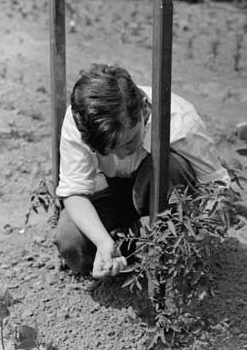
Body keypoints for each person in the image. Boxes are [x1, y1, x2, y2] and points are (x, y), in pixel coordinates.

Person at [53, 64, 230, 279]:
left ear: (143, 111)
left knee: (170, 166)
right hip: (112, 188)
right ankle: (130, 249)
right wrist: (103, 243)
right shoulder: (82, 119)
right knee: (71, 240)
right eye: (108, 150)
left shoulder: (180, 122)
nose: (119, 155)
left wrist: (200, 231)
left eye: (127, 142)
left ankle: (165, 251)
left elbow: (214, 187)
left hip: (162, 189)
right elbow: (74, 192)